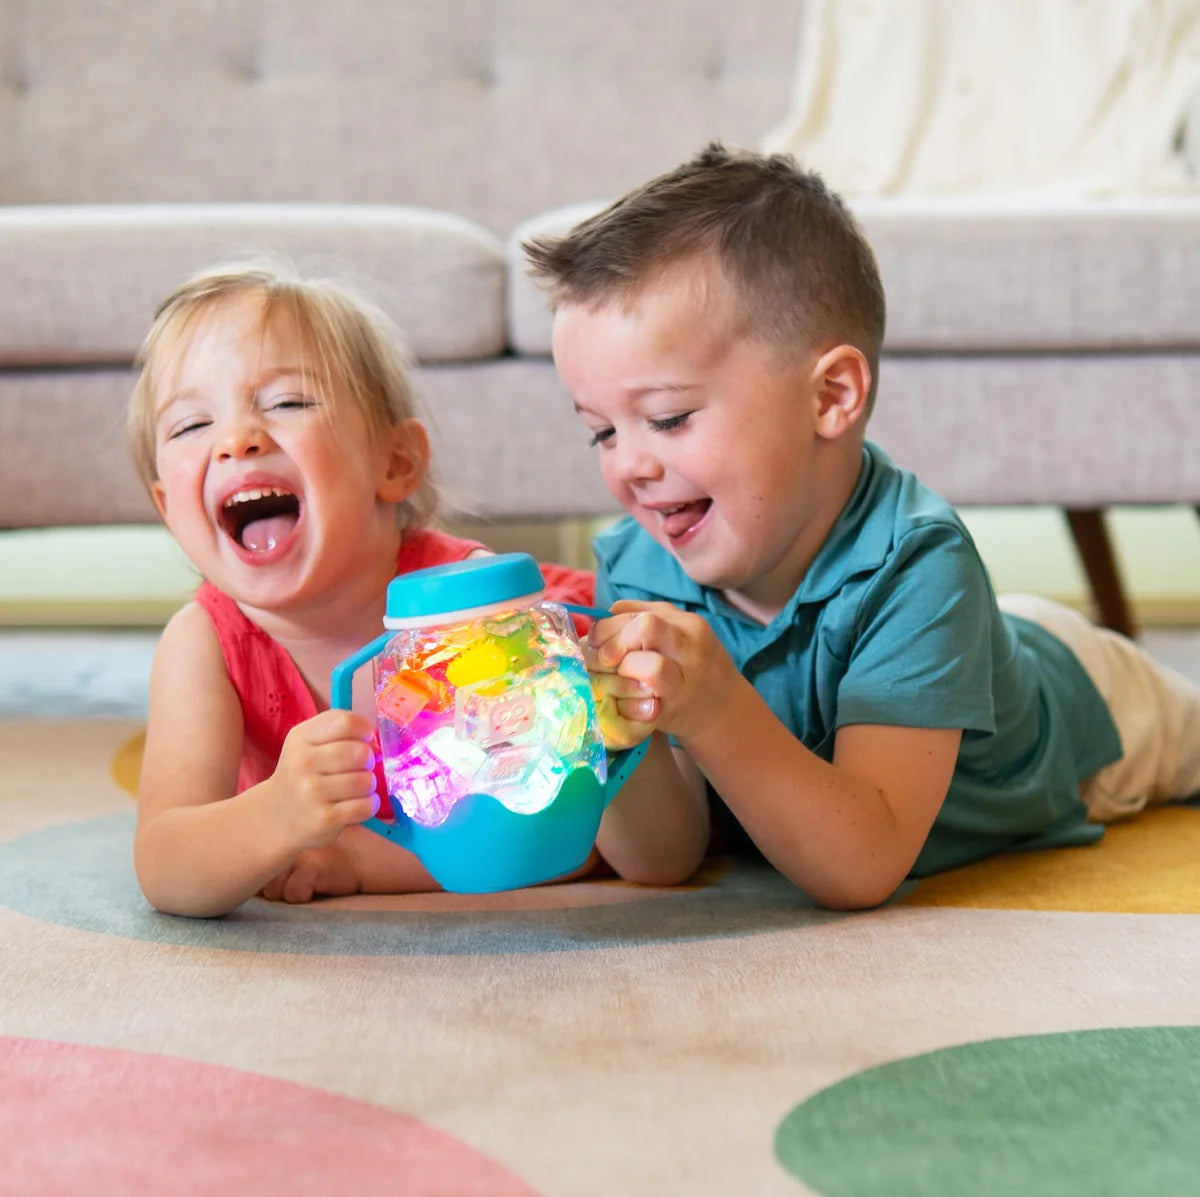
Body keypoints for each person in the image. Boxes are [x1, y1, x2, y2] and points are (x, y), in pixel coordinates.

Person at [523, 143, 1200, 911]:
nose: (629, 468)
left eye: (668, 418)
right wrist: (609, 728)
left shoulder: (919, 563)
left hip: (1086, 704)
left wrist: (715, 708)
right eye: (602, 433)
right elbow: (666, 856)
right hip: (950, 645)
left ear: (832, 395)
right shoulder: (638, 566)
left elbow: (862, 863)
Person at [127, 261, 704, 917]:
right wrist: (274, 815)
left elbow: (638, 856)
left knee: (638, 717)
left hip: (569, 647)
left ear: (395, 462)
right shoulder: (204, 644)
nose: (236, 440)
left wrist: (360, 861)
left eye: (287, 402)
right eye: (189, 426)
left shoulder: (480, 617)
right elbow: (166, 867)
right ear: (169, 508)